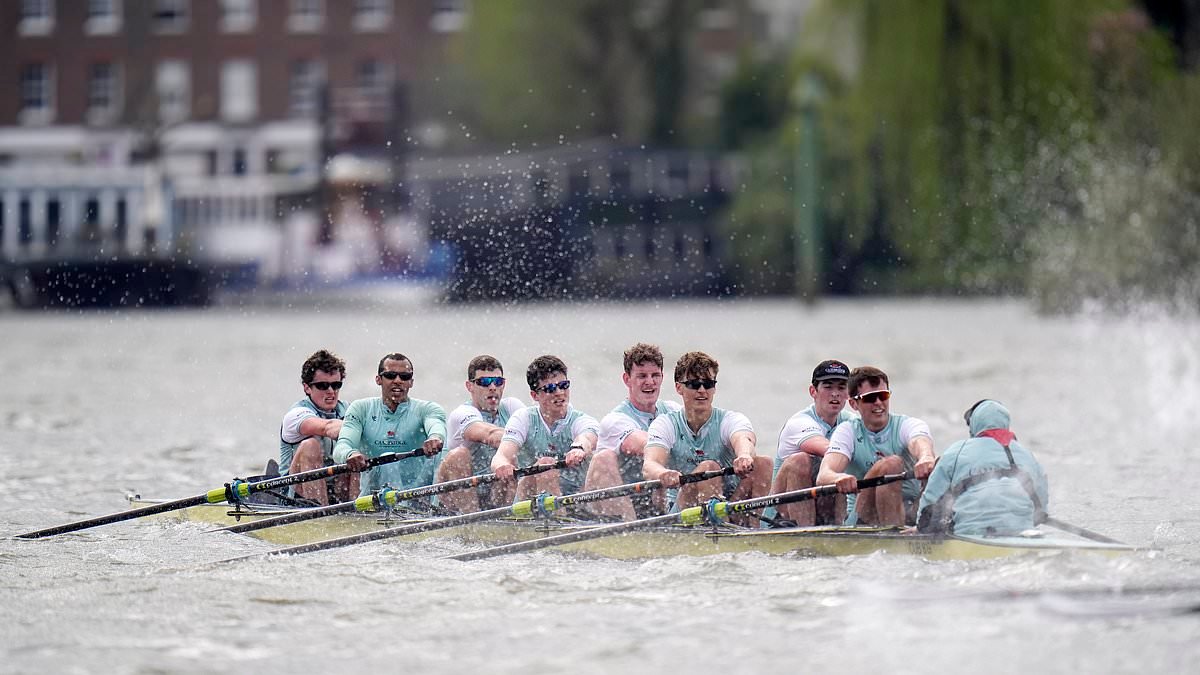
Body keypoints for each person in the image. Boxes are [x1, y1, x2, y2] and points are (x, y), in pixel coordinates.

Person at [642, 351, 772, 527]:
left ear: (714, 388)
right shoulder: (666, 423)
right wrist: (663, 474)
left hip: (731, 502)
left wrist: (744, 456)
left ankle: (754, 529)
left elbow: (744, 439)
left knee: (763, 463)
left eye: (708, 384)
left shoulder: (730, 419)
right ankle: (716, 529)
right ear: (679, 388)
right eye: (694, 384)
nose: (702, 390)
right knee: (708, 467)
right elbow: (650, 464)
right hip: (684, 508)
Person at [816, 366, 936, 526]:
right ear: (854, 404)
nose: (879, 403)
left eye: (883, 396)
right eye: (870, 398)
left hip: (910, 510)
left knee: (943, 463)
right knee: (892, 464)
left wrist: (926, 457)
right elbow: (823, 475)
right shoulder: (847, 431)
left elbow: (920, 442)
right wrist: (838, 477)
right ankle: (895, 538)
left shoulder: (908, 425)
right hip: (864, 517)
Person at [917, 400, 1049, 536]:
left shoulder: (956, 451)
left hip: (970, 531)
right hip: (1022, 530)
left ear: (974, 425)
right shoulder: (1027, 455)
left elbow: (931, 497)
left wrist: (920, 528)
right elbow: (1041, 506)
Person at [587, 343, 681, 521]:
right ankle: (629, 528)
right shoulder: (615, 420)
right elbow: (646, 445)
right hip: (618, 503)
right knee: (604, 457)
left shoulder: (672, 410)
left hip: (656, 499)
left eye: (655, 375)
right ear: (627, 379)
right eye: (642, 376)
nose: (649, 382)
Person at [334, 353, 446, 501]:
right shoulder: (361, 408)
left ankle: (436, 507)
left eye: (404, 377)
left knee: (445, 453)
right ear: (378, 379)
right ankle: (397, 506)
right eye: (391, 375)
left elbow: (436, 426)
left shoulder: (428, 409)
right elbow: (342, 447)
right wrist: (350, 454)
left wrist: (435, 438)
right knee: (387, 459)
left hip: (419, 492)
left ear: (411, 382)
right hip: (376, 496)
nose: (398, 381)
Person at [491, 355, 600, 500]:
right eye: (550, 388)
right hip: (529, 498)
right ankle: (553, 515)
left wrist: (578, 448)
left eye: (563, 386)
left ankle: (560, 515)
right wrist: (503, 466)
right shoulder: (524, 418)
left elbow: (587, 436)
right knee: (546, 464)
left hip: (575, 500)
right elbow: (501, 456)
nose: (560, 392)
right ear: (535, 395)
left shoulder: (581, 420)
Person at [434, 355, 525, 513]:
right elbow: (490, 434)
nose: (492, 387)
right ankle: (471, 520)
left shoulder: (512, 406)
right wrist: (520, 439)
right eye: (484, 382)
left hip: (495, 492)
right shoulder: (461, 413)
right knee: (459, 455)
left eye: (498, 382)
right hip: (458, 497)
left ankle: (504, 517)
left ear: (503, 384)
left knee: (509, 461)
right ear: (470, 386)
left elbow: (534, 430)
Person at [770, 359, 854, 526]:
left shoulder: (851, 422)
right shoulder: (800, 422)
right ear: (813, 391)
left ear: (848, 394)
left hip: (824, 507)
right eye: (828, 387)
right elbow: (829, 450)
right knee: (804, 460)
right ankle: (804, 534)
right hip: (780, 515)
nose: (835, 393)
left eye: (841, 387)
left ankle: (839, 529)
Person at [278, 349, 356, 505]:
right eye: (322, 386)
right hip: (296, 496)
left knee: (360, 449)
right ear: (307, 388)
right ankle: (321, 512)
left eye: (336, 385)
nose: (331, 391)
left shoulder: (348, 409)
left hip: (337, 489)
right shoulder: (296, 415)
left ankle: (359, 510)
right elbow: (327, 428)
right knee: (310, 445)